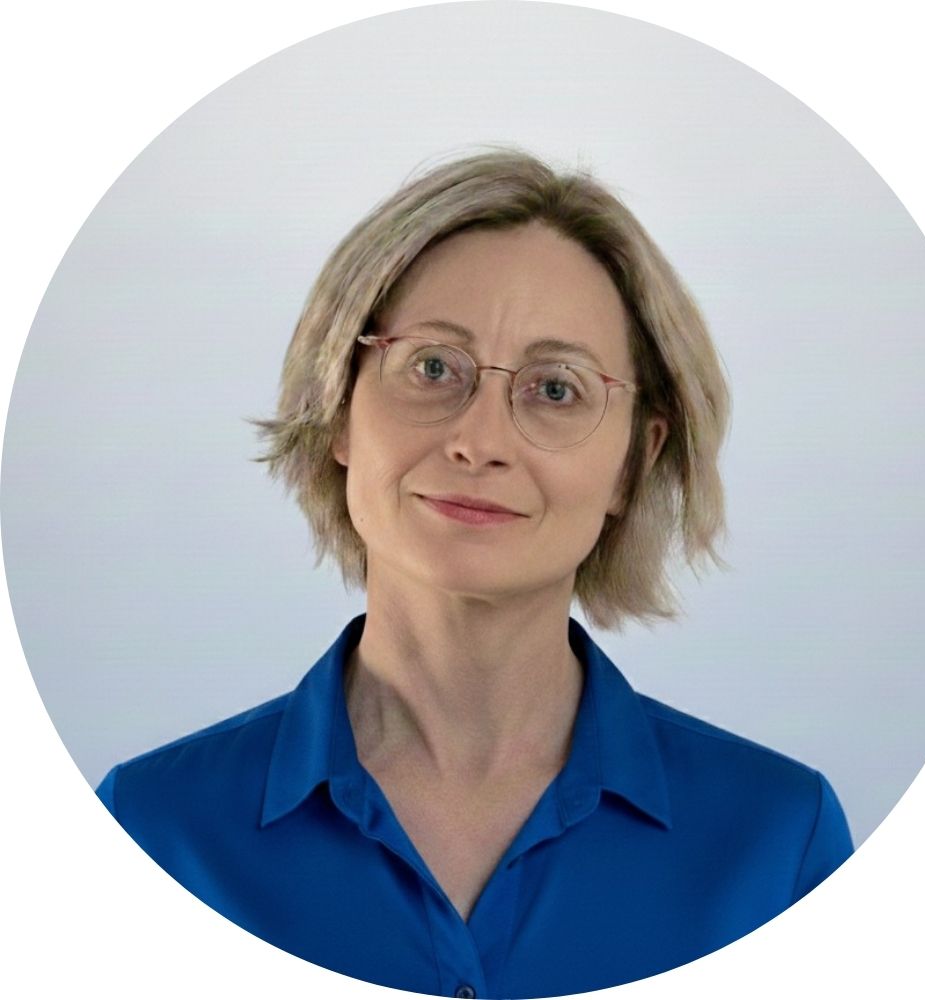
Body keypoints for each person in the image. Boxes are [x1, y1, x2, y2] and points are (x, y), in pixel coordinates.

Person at [96, 149, 853, 998]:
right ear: (338, 409)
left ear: (634, 464)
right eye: (432, 367)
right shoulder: (149, 834)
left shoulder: (777, 848)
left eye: (556, 389)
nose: (480, 441)